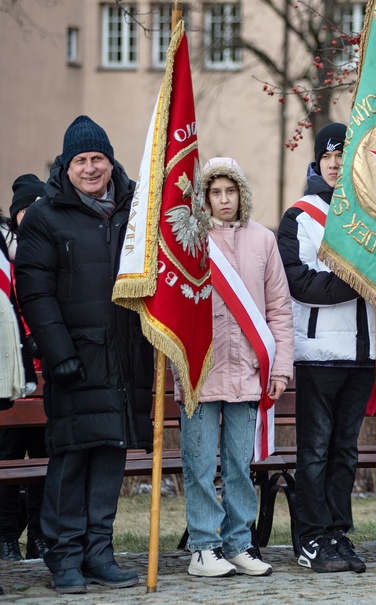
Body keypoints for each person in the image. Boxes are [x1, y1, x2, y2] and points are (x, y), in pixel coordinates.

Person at [14, 115, 154, 594]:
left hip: (125, 358)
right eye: (81, 160)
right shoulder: (45, 217)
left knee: (110, 459)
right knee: (72, 461)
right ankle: (65, 556)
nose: (91, 168)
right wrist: (58, 354)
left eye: (99, 158)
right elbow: (34, 293)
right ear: (66, 166)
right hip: (75, 360)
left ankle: (99, 553)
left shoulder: (137, 211)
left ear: (111, 161)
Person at [177, 157, 294, 577]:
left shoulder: (264, 240)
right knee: (201, 464)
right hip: (201, 371)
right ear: (204, 197)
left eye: (230, 191)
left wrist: (279, 369)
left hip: (249, 371)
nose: (224, 200)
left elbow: (280, 309)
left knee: (240, 466)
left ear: (241, 194)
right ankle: (204, 548)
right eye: (215, 192)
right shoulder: (188, 241)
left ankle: (239, 543)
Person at [277, 122, 376, 574]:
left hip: (363, 351)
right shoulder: (300, 215)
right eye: (329, 157)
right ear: (318, 162)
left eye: (344, 156)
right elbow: (298, 281)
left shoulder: (373, 213)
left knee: (344, 451)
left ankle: (338, 532)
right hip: (319, 353)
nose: (337, 164)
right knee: (315, 451)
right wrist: (352, 284)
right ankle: (311, 537)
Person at [0, 175, 46, 562]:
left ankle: (41, 536)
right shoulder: (7, 254)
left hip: (46, 379)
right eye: (24, 210)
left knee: (46, 461)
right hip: (12, 380)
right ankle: (5, 537)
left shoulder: (50, 249)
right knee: (7, 460)